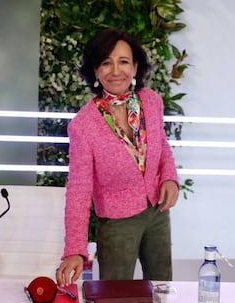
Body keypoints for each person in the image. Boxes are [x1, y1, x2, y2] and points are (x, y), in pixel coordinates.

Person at [56, 27, 179, 286]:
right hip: (117, 222)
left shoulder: (151, 101)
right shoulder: (83, 125)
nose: (115, 71)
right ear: (95, 71)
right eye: (106, 63)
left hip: (157, 211)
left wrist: (169, 178)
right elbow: (78, 190)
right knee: (115, 294)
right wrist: (75, 250)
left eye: (123, 62)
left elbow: (163, 146)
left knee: (162, 288)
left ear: (135, 67)